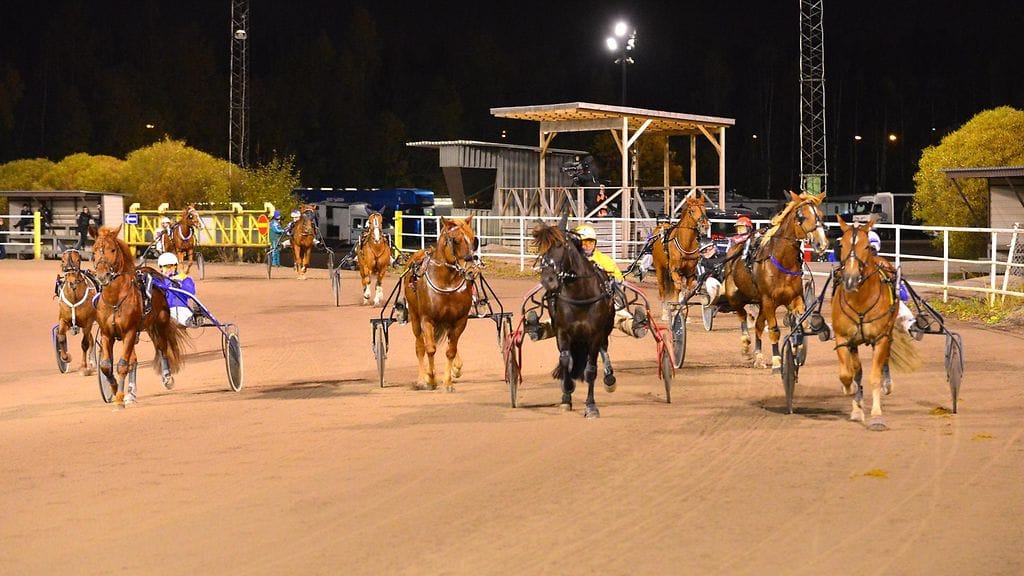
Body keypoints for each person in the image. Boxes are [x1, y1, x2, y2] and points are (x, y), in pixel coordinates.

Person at [525, 223, 647, 341]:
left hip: (601, 303)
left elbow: (619, 280)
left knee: (617, 316)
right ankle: (539, 331)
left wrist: (613, 282)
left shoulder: (605, 260)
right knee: (560, 320)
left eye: (590, 242)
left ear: (595, 243)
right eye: (583, 243)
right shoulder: (569, 262)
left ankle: (635, 327)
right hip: (573, 305)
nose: (586, 246)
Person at [866, 229, 918, 337]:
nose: (870, 253)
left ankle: (909, 324)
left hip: (882, 301)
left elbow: (903, 295)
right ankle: (909, 324)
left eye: (872, 249)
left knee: (895, 301)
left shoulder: (884, 265)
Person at [155, 252, 197, 327]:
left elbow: (191, 292)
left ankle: (193, 320)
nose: (169, 269)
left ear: (175, 267)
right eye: (166, 267)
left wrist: (181, 285)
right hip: (163, 309)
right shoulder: (157, 280)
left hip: (180, 307)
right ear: (161, 268)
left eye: (171, 266)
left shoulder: (184, 279)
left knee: (181, 313)